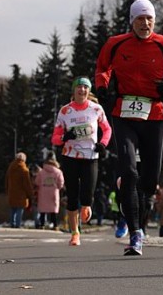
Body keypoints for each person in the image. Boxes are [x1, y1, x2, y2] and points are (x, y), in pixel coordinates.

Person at [95, 0, 163, 256]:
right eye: (139, 19)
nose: (145, 23)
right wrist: (102, 87)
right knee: (129, 171)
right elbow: (102, 68)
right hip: (123, 113)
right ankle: (135, 233)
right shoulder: (115, 44)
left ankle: (138, 223)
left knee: (149, 180)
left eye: (149, 19)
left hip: (154, 115)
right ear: (131, 21)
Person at [51, 77, 112, 246]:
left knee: (87, 196)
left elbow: (107, 129)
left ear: (88, 91)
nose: (82, 90)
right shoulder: (65, 111)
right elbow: (55, 138)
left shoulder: (96, 109)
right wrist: (65, 137)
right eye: (79, 87)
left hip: (90, 157)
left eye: (85, 87)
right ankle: (75, 233)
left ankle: (86, 207)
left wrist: (103, 144)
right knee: (72, 197)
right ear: (74, 90)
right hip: (70, 157)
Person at [4, 152, 34, 228]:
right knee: (20, 209)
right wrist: (30, 193)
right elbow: (27, 183)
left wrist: (7, 189)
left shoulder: (10, 168)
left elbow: (7, 180)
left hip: (12, 191)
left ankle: (12, 223)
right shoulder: (24, 170)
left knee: (13, 208)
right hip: (21, 193)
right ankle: (18, 224)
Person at [35, 156, 64, 230]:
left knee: (43, 210)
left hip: (43, 192)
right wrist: (58, 187)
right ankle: (55, 225)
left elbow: (37, 182)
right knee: (53, 210)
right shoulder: (58, 172)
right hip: (53, 192)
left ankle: (42, 224)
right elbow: (61, 183)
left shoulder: (41, 172)